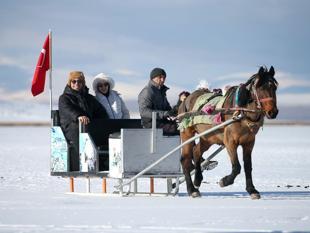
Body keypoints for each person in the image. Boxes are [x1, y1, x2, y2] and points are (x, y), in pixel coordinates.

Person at [58, 71, 108, 171]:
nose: (77, 84)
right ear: (70, 83)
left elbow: (101, 112)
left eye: (79, 81)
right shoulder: (64, 98)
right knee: (80, 131)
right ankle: (86, 163)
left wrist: (102, 122)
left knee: (104, 130)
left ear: (83, 83)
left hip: (88, 127)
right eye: (74, 81)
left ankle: (104, 162)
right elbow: (68, 110)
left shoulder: (89, 98)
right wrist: (79, 115)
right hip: (71, 128)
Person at [138, 67, 178, 135]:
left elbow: (167, 109)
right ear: (153, 78)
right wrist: (164, 114)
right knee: (181, 129)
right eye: (160, 77)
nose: (162, 80)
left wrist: (175, 110)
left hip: (161, 122)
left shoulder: (161, 91)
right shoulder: (147, 91)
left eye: (164, 78)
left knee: (185, 126)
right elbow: (143, 112)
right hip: (150, 125)